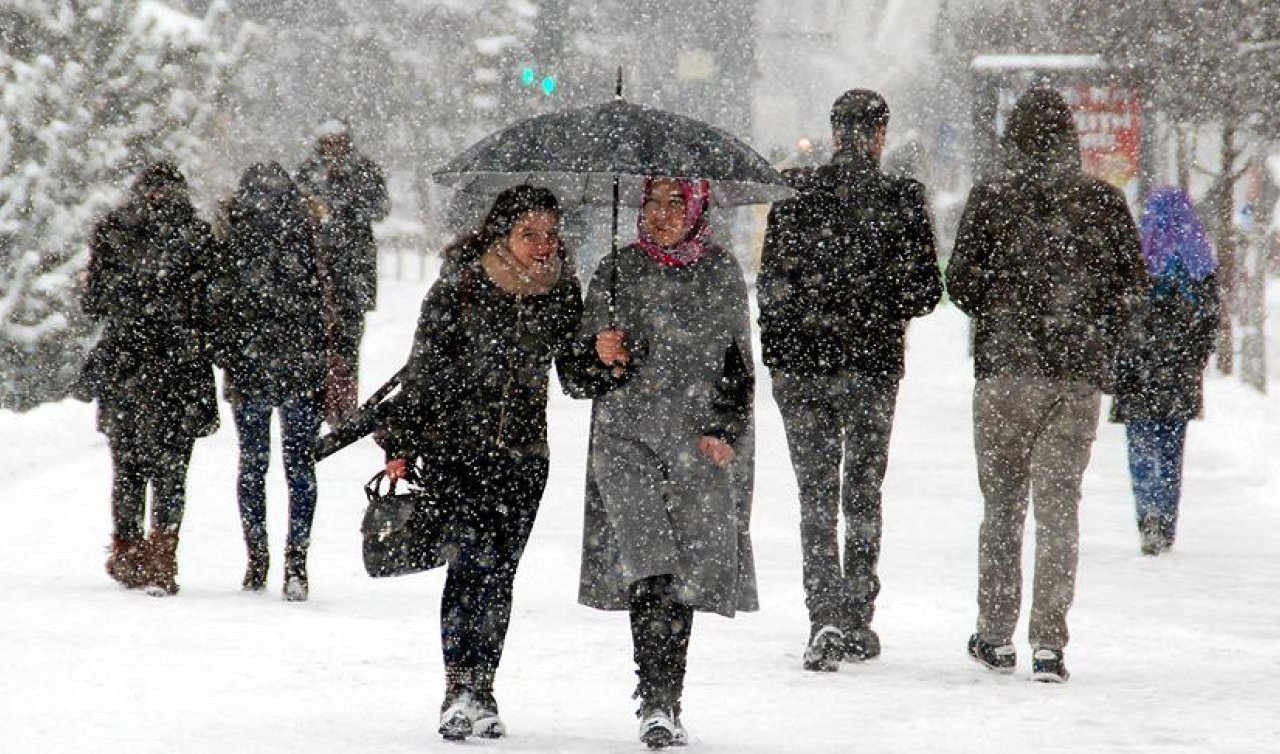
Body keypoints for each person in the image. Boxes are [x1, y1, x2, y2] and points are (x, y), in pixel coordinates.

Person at [946, 87, 1147, 683]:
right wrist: (1090, 325)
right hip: (1075, 376)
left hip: (1005, 372)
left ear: (1013, 138)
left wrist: (1001, 306)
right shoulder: (1102, 202)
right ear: (1071, 138)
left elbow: (959, 282)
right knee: (1060, 511)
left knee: (1003, 507)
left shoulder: (992, 198)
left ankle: (995, 634)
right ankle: (1049, 644)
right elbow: (1132, 286)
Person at [377, 185, 589, 742]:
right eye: (530, 234)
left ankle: (485, 687)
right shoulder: (463, 284)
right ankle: (457, 688)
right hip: (457, 452)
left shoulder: (563, 291)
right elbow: (424, 366)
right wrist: (400, 440)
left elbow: (575, 376)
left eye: (550, 235)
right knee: (469, 566)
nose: (543, 246)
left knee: (501, 575)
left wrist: (603, 356)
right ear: (503, 233)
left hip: (524, 457)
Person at [757, 89, 943, 671]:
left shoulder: (794, 193)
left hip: (803, 366)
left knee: (814, 494)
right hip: (871, 364)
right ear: (881, 135)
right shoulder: (901, 199)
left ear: (835, 130)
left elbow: (771, 285)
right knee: (862, 489)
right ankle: (859, 614)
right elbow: (924, 293)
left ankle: (824, 616)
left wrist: (784, 350)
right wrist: (876, 299)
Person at [578, 177, 757, 749]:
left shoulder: (721, 272)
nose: (661, 215)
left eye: (675, 203)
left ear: (699, 207)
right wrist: (598, 352)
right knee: (647, 563)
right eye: (651, 202)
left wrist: (725, 429)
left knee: (683, 574)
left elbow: (738, 365)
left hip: (696, 446)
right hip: (624, 441)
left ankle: (668, 695)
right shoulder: (615, 269)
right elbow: (576, 375)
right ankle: (653, 698)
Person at [79, 161, 219, 596]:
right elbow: (212, 306)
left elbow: (94, 303)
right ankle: (162, 555)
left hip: (127, 367)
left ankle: (128, 551)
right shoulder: (197, 237)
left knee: (128, 468)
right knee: (172, 470)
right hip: (180, 368)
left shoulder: (114, 232)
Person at [213, 162, 328, 601]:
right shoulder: (306, 231)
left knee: (253, 465)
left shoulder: (232, 234)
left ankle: (256, 557)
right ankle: (296, 561)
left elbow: (221, 304)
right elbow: (322, 303)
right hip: (299, 364)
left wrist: (229, 354)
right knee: (300, 467)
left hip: (250, 366)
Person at [1110, 187, 1221, 556]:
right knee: (1172, 449)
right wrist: (1196, 356)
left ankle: (1147, 517)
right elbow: (1209, 318)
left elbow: (1119, 311)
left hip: (1138, 367)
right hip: (1179, 370)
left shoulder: (1140, 253)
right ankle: (1166, 520)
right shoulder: (1199, 260)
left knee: (1141, 445)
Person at [294, 120, 390, 426]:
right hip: (317, 271)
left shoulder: (364, 170)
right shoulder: (308, 172)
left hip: (353, 270)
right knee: (317, 343)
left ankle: (344, 407)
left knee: (348, 343)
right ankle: (319, 403)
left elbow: (380, 208)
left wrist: (347, 205)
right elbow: (296, 211)